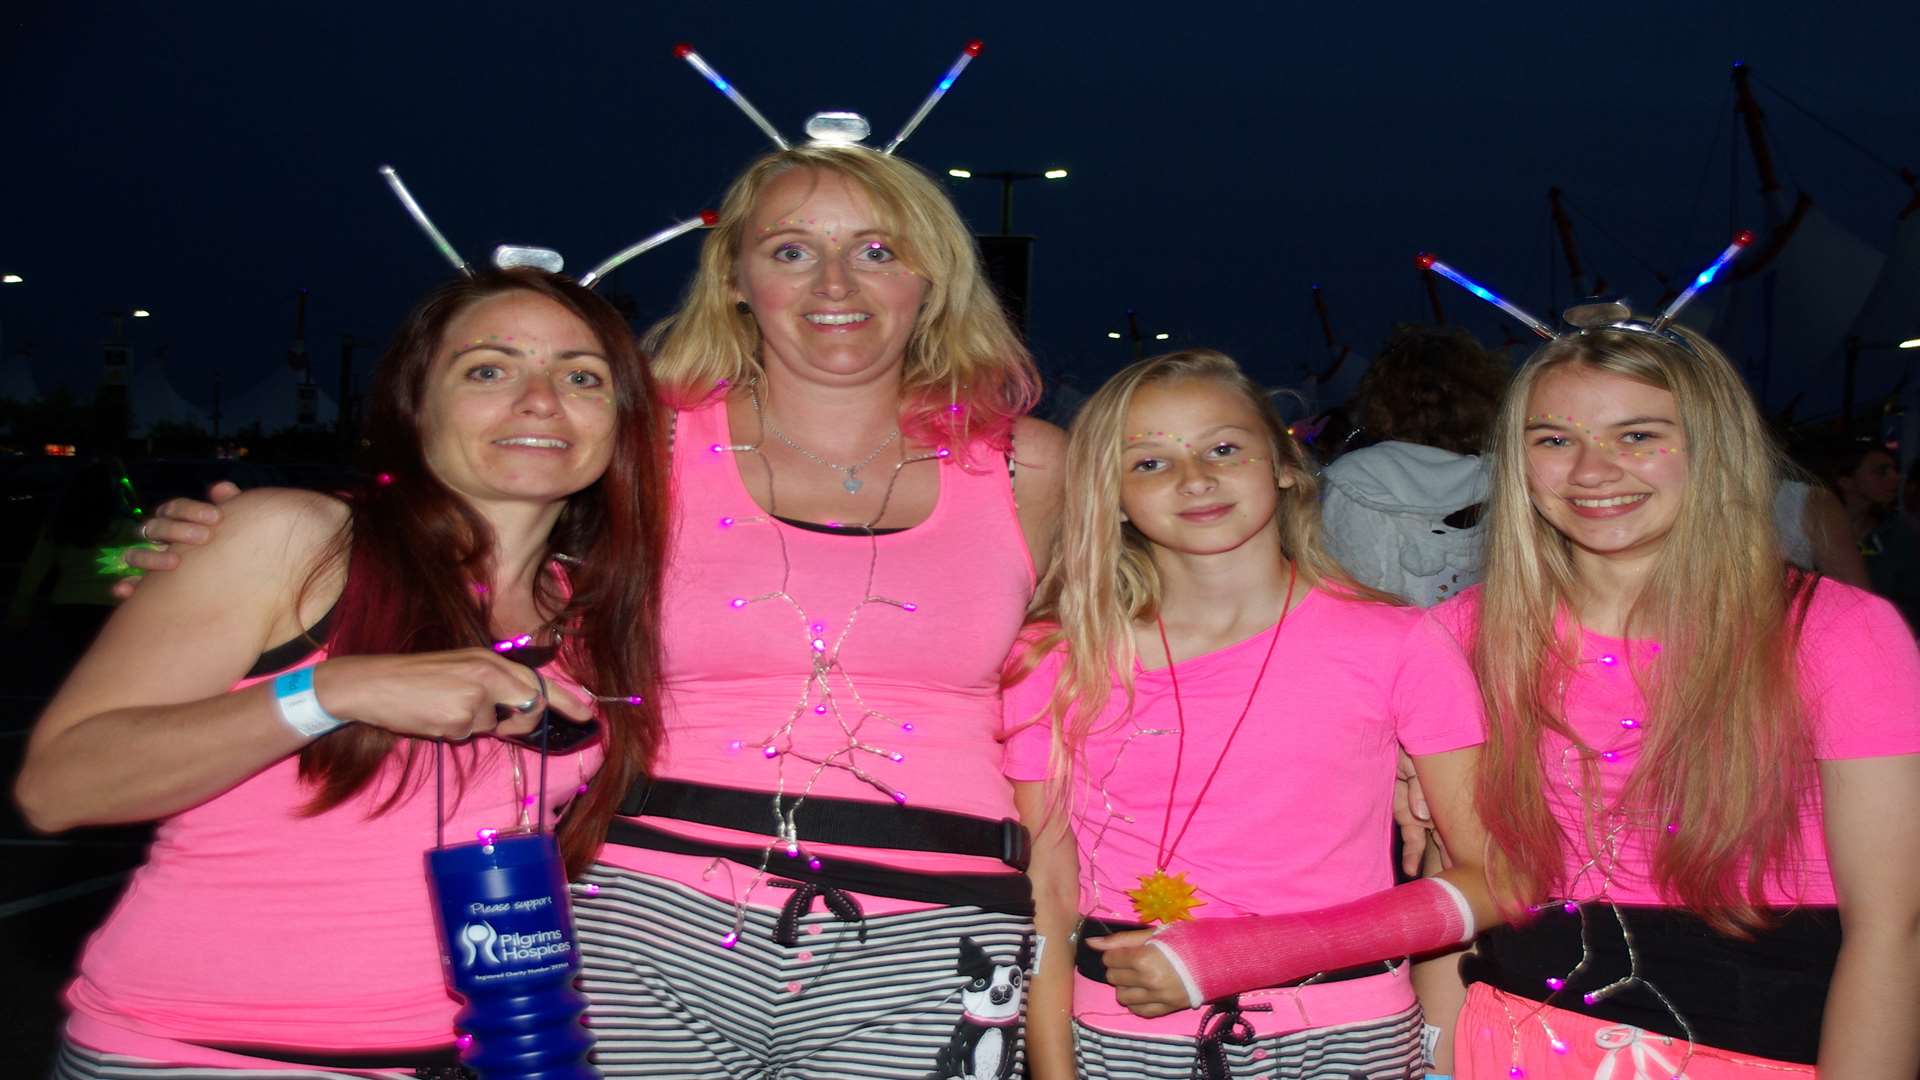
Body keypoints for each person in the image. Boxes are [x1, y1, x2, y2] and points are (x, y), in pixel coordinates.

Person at [128, 145, 1068, 1079]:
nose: (834, 282)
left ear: (933, 276)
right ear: (735, 277)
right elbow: (474, 502)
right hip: (647, 916)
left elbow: (1131, 652)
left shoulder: (1031, 467)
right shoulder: (645, 436)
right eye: (789, 250)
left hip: (935, 927)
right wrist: (246, 542)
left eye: (878, 250)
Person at [17, 268, 670, 1077]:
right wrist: (331, 690)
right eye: (489, 370)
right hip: (215, 1055)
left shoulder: (589, 612)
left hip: (479, 1055)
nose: (540, 400)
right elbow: (59, 788)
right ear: (414, 406)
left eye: (582, 376)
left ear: (620, 422)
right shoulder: (297, 541)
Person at [1431, 326, 1920, 1076]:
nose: (1594, 470)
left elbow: (1895, 928)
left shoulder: (1838, 635)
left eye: (1638, 434)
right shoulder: (1458, 635)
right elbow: (1451, 891)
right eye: (1554, 439)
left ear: (1711, 449)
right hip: (1506, 1043)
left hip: (1752, 1048)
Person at [1001, 349, 1497, 1078]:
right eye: (1149, 463)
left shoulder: (1398, 643)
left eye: (1223, 448)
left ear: (1286, 462)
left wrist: (1250, 954)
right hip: (1124, 1036)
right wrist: (1053, 1069)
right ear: (1108, 496)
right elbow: (1046, 889)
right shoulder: (1055, 655)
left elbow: (1497, 879)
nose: (1194, 477)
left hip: (1350, 1034)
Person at [1320, 326, 1510, 607]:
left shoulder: (1356, 479)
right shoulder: (1505, 479)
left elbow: (1345, 592)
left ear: (1382, 399)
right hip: (1484, 645)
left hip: (1392, 645)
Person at [1821, 440, 1920, 631]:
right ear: (1845, 480)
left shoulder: (1900, 534)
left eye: (1894, 470)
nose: (1895, 477)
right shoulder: (1814, 531)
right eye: (1881, 471)